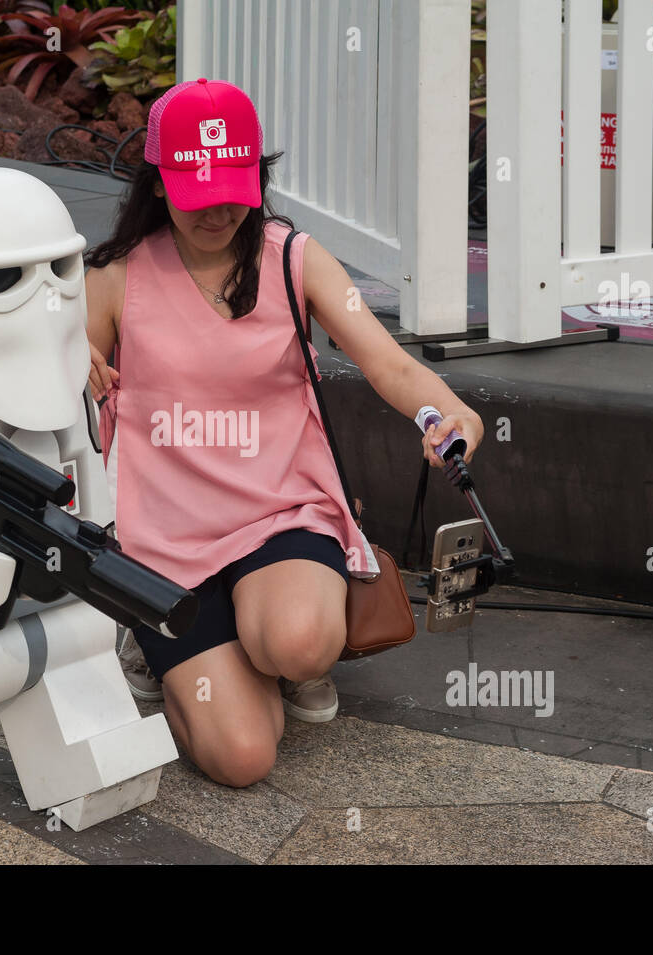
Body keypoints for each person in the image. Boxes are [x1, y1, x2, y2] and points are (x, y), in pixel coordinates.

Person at [83, 77, 484, 788]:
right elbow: (53, 397)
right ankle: (173, 652)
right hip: (166, 545)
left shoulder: (292, 256)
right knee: (242, 758)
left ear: (256, 176)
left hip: (281, 514)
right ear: (158, 180)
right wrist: (66, 356)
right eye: (196, 191)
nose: (217, 210)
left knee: (300, 643)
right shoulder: (116, 277)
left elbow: (388, 363)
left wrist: (451, 410)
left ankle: (266, 650)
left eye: (232, 188)